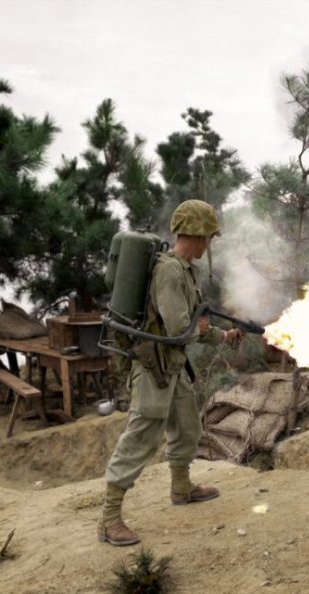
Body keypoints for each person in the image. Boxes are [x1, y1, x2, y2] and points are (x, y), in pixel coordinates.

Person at [98, 199, 242, 546]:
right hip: (154, 367)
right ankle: (109, 518)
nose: (209, 244)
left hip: (173, 365)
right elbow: (180, 326)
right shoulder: (169, 270)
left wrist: (223, 335)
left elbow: (191, 326)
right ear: (194, 234)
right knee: (141, 436)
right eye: (207, 236)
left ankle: (181, 488)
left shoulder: (185, 270)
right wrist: (202, 327)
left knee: (187, 427)